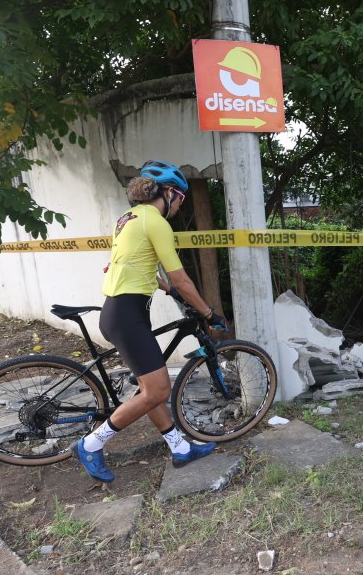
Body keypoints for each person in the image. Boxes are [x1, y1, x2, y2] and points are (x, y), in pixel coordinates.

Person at [71, 159, 228, 482]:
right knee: (157, 390)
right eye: (181, 199)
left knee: (148, 387)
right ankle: (91, 443)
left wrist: (166, 287)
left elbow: (136, 264)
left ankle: (179, 447)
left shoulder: (127, 219)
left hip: (119, 311)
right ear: (169, 193)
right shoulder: (156, 222)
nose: (181, 207)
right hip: (128, 316)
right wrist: (208, 312)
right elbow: (183, 279)